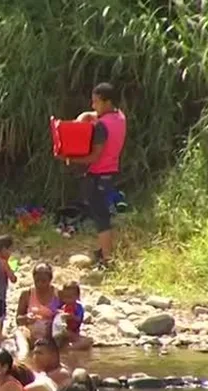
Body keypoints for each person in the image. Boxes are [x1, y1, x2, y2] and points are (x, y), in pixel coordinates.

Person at [61, 83, 127, 268]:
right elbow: (92, 116)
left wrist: (70, 157)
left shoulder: (102, 127)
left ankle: (107, 260)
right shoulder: (119, 117)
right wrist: (81, 119)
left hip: (98, 173)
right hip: (111, 171)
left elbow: (94, 156)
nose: (93, 106)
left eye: (96, 102)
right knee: (102, 213)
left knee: (101, 217)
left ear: (107, 102)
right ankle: (104, 252)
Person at [15, 263, 60, 356]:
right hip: (30, 334)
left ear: (50, 279)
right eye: (37, 281)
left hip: (50, 335)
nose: (40, 284)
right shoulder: (26, 294)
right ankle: (23, 356)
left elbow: (65, 315)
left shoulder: (58, 294)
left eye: (43, 281)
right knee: (19, 333)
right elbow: (18, 319)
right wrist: (26, 318)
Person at [53, 281, 93, 350]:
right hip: (65, 332)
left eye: (70, 297)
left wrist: (71, 316)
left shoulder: (78, 307)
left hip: (74, 332)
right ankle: (67, 347)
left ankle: (69, 348)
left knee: (89, 341)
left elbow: (79, 319)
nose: (67, 300)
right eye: (65, 297)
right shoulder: (64, 307)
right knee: (62, 333)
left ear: (77, 296)